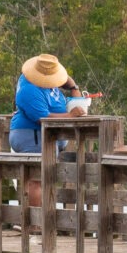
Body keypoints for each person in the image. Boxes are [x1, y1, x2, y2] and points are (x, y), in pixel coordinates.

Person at [9, 53, 94, 210]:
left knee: (46, 178)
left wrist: (73, 86)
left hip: (48, 137)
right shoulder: (29, 89)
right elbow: (42, 117)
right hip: (31, 134)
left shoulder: (51, 87)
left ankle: (43, 219)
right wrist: (69, 116)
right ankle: (35, 224)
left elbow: (72, 104)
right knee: (37, 179)